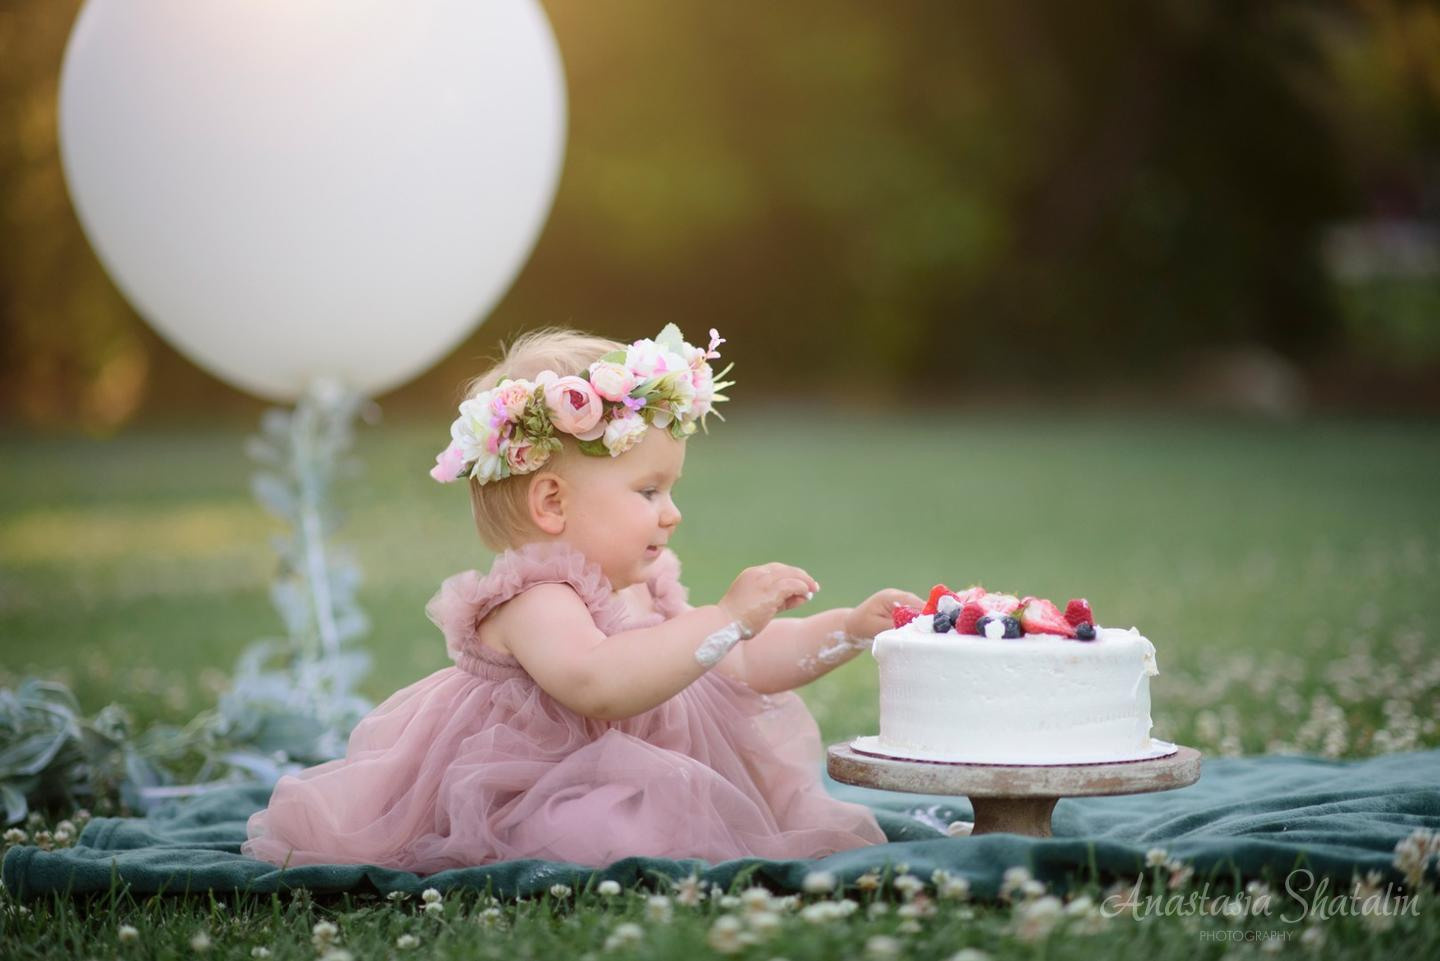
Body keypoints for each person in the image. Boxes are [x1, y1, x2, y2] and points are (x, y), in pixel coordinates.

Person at [242, 325, 920, 872]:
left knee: (676, 813)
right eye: (648, 491)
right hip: (532, 788)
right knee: (594, 832)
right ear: (552, 502)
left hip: (637, 780)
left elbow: (735, 660)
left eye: (671, 490)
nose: (672, 512)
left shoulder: (646, 588)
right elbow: (599, 685)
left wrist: (847, 628)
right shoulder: (537, 600)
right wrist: (723, 617)